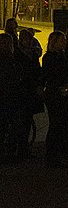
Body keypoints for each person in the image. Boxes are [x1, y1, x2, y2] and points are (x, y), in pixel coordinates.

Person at [42, 31, 68, 167]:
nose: (64, 42)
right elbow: (53, 75)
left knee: (57, 124)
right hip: (56, 93)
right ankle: (52, 155)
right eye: (62, 40)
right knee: (56, 124)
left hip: (58, 92)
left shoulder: (59, 56)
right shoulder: (52, 57)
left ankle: (54, 154)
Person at [15, 28, 44, 159]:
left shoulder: (30, 54)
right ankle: (20, 148)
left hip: (29, 92)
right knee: (22, 121)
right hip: (23, 92)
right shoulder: (19, 54)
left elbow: (37, 71)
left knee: (25, 121)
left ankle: (22, 148)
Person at [0, 32, 24, 162]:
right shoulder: (10, 60)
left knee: (10, 126)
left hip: (11, 97)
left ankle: (9, 152)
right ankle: (8, 152)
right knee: (8, 126)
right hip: (7, 97)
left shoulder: (13, 58)